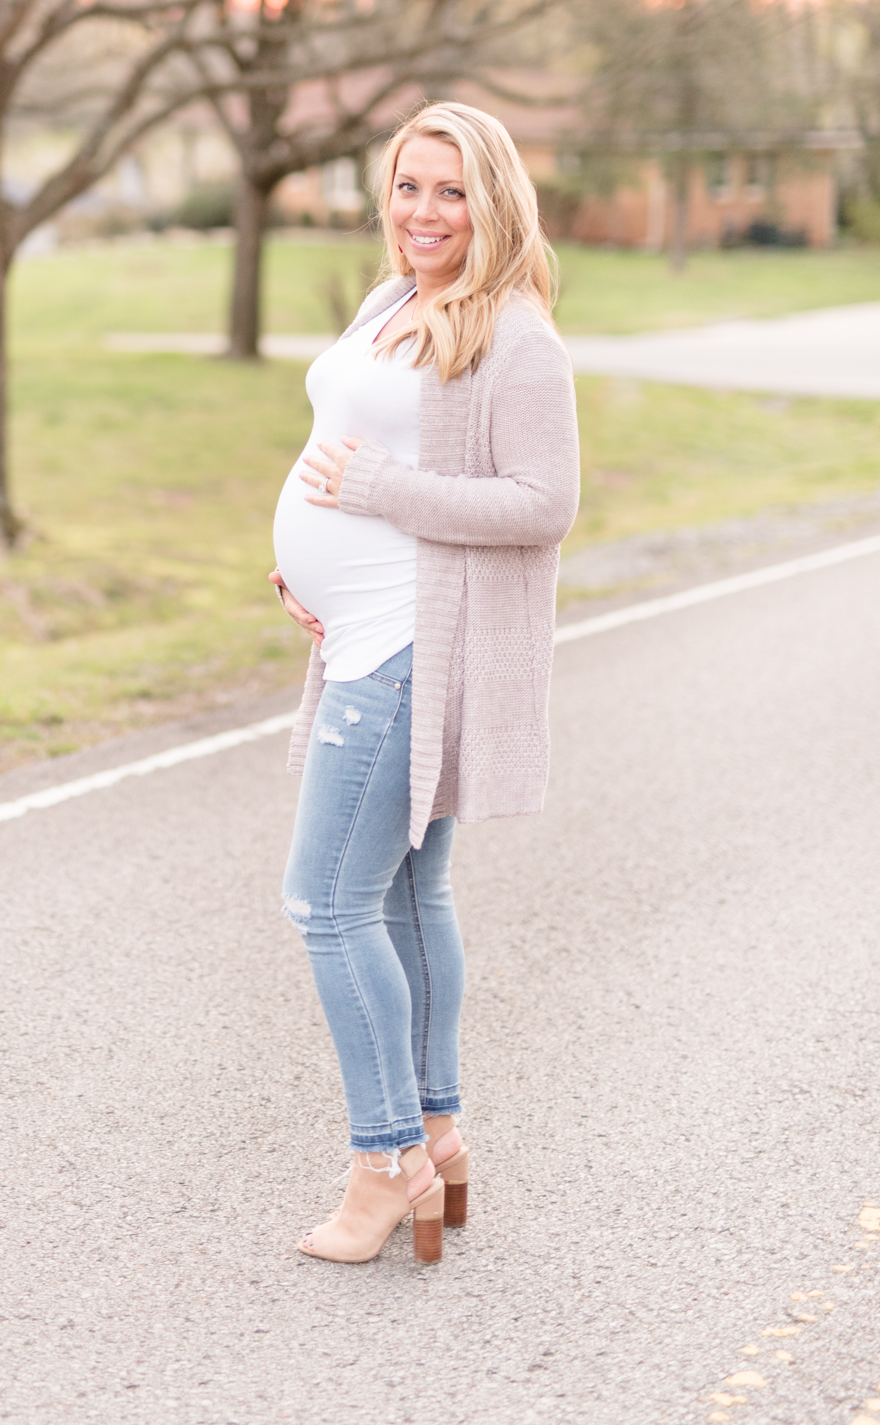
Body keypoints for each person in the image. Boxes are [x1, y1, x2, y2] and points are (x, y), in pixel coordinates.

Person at [270, 101, 580, 1265]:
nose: (422, 210)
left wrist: (377, 498)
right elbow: (339, 449)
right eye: (407, 186)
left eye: (448, 190)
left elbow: (541, 504)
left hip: (412, 655)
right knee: (403, 897)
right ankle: (436, 1131)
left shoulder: (515, 335)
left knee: (324, 902)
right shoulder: (392, 300)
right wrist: (296, 555)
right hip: (354, 629)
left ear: (491, 199)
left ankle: (382, 1158)